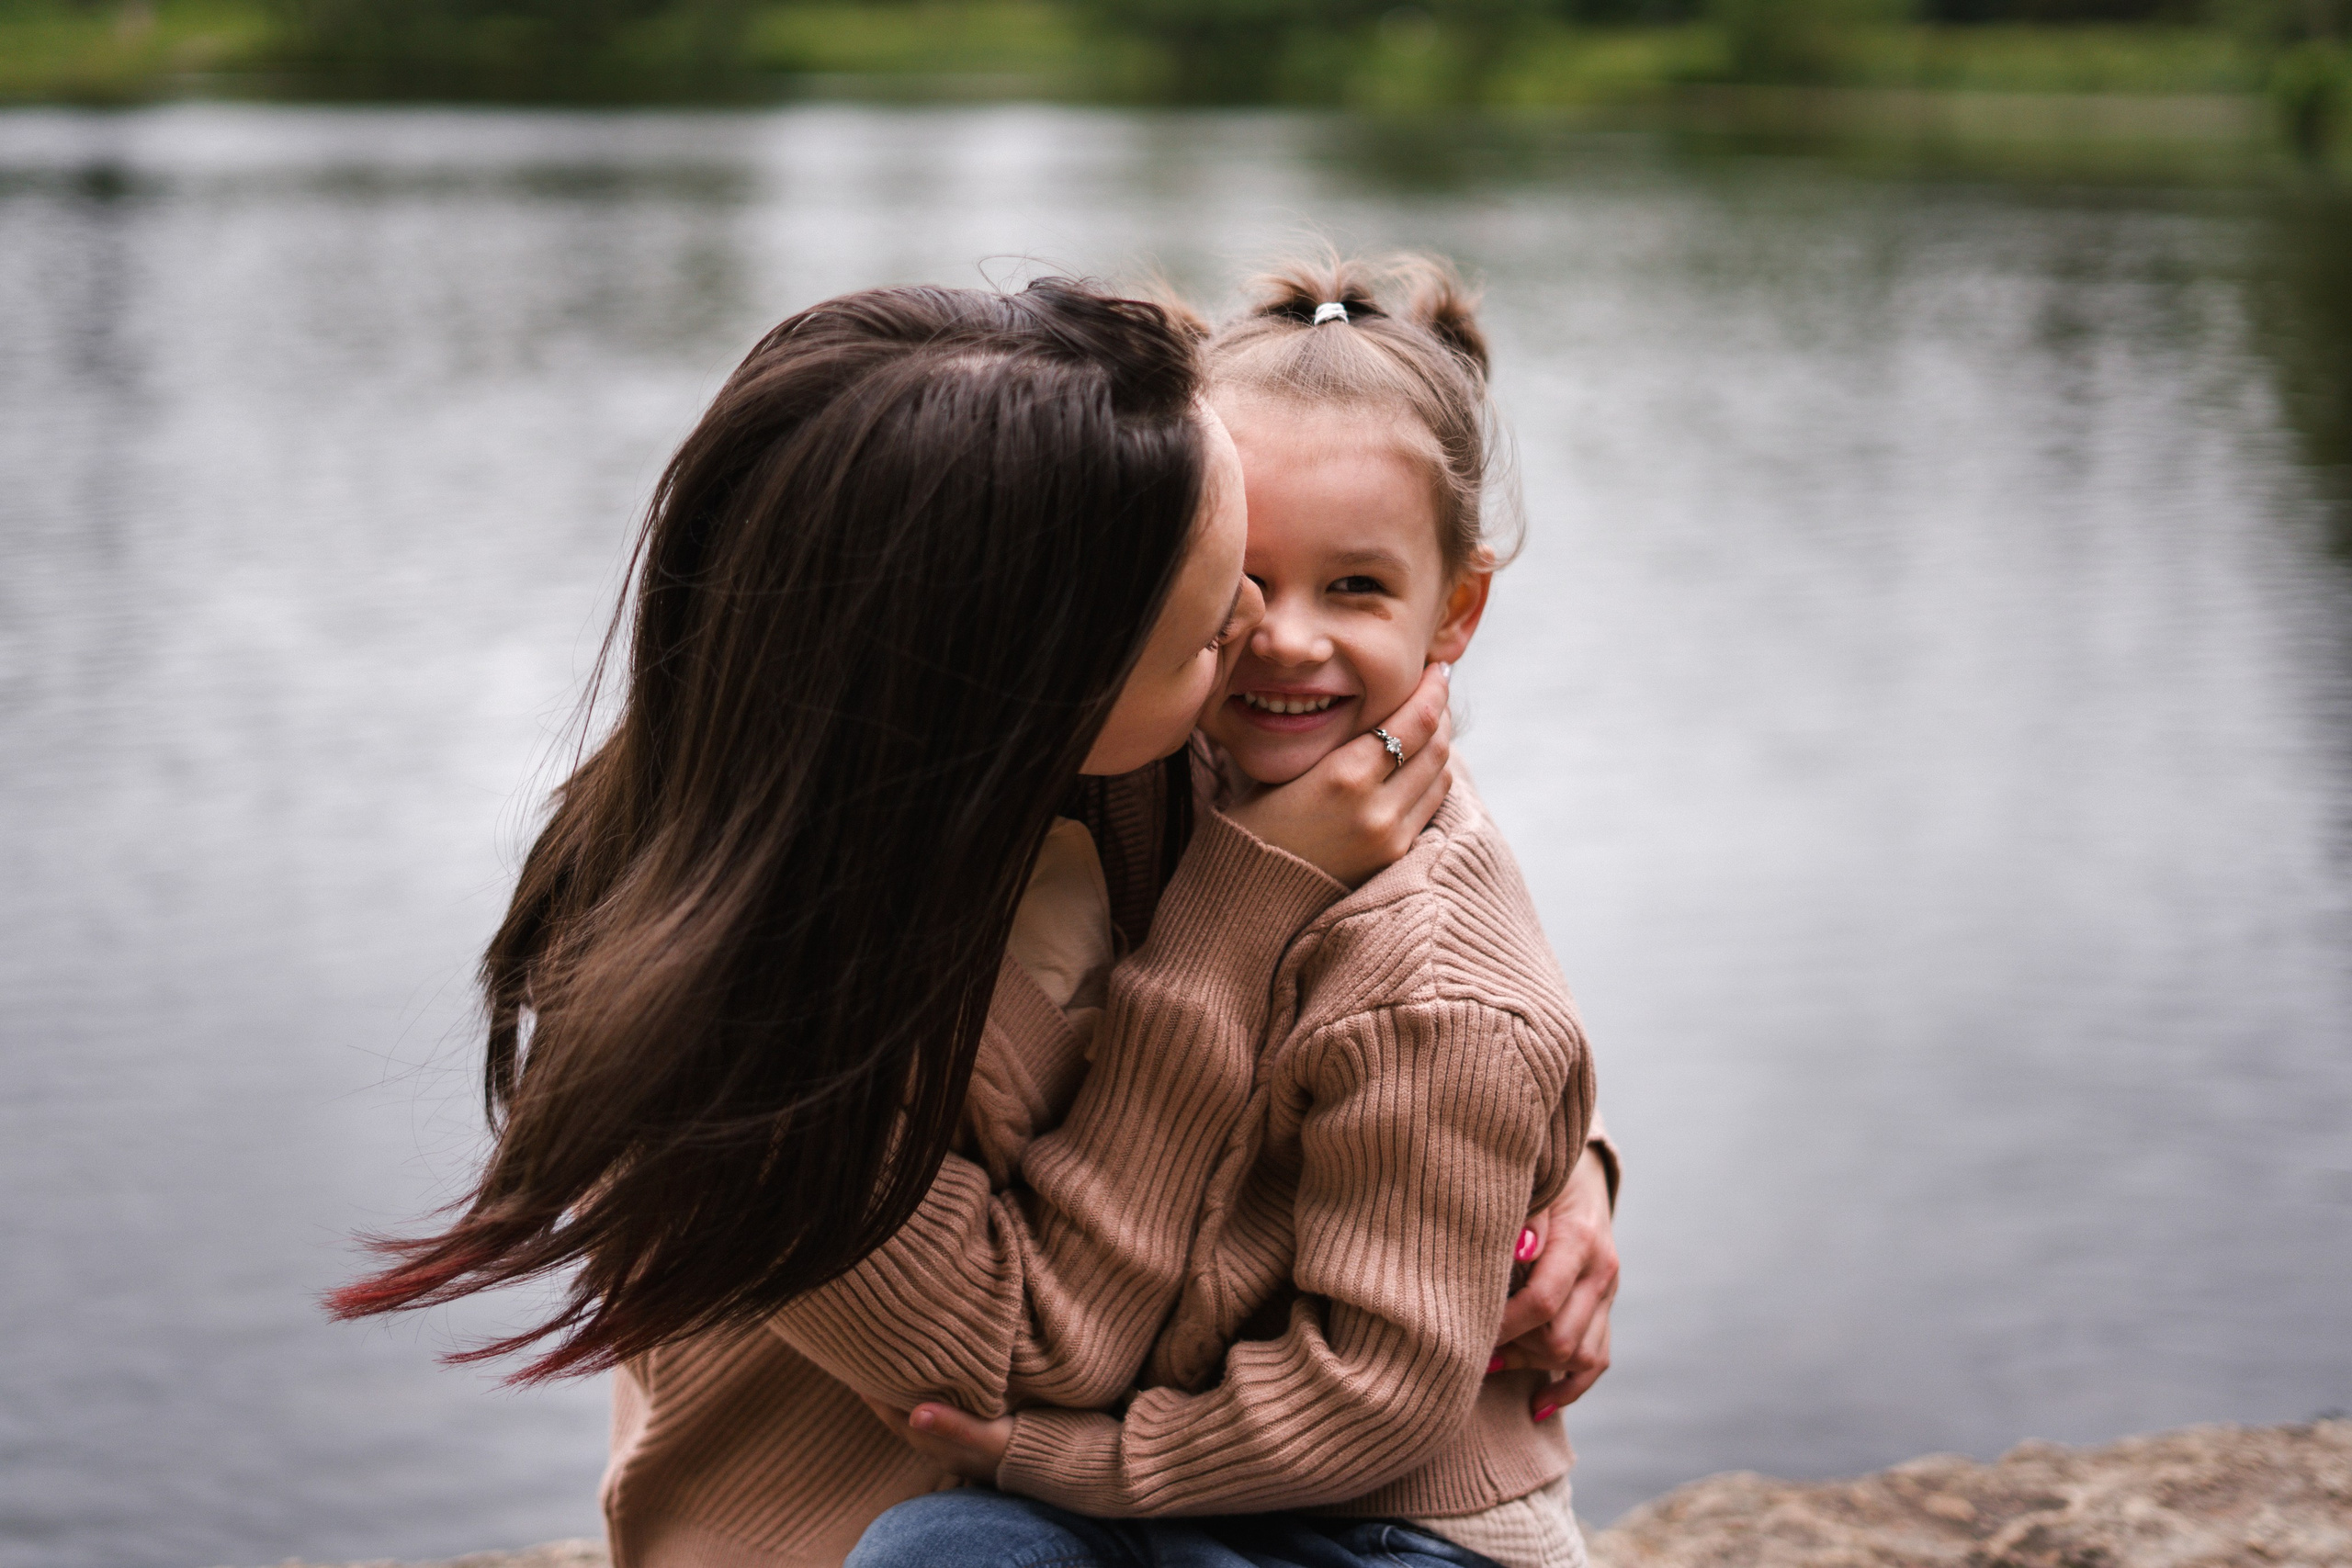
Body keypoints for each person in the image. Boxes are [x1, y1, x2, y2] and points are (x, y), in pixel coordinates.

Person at [332, 275, 1611, 1568]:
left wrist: (1556, 1176)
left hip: (1277, 1499)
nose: (1263, 635)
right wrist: (1235, 914)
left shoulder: (1182, 730)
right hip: (901, 1525)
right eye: (1214, 612)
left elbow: (1431, 951)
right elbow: (1034, 1360)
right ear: (1028, 679)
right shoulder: (735, 1027)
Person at [846, 259, 1614, 1568]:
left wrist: (1059, 1461)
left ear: (1457, 610)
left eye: (1355, 587)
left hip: (1394, 1528)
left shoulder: (1427, 957)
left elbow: (1371, 1399)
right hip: (1184, 1486)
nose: (1283, 640)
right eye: (1241, 582)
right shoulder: (1178, 767)